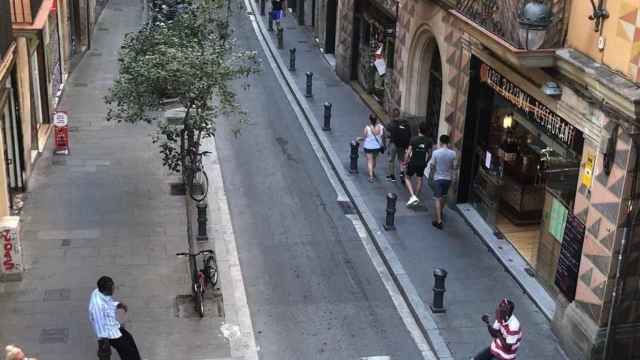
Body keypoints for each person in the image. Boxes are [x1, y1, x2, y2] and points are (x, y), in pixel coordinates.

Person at [89, 276, 142, 360]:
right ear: (104, 290)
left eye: (113, 287)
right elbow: (99, 324)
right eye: (111, 289)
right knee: (127, 351)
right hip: (109, 334)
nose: (114, 289)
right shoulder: (97, 306)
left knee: (129, 338)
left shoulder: (99, 292)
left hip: (113, 326)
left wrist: (117, 304)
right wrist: (104, 342)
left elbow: (107, 304)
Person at [426, 134, 456, 229]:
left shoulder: (436, 153)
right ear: (448, 142)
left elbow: (432, 165)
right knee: (443, 196)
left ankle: (439, 221)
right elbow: (454, 166)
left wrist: (433, 170)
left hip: (438, 178)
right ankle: (440, 212)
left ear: (440, 142)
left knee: (437, 198)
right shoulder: (453, 153)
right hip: (448, 179)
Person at [403, 122, 432, 206]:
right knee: (419, 179)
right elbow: (430, 154)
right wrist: (426, 162)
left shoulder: (413, 139)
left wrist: (405, 162)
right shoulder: (429, 141)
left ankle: (412, 196)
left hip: (413, 162)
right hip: (422, 163)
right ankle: (416, 196)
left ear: (419, 129)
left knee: (407, 178)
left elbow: (408, 153)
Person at [386, 108, 412, 182]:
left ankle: (392, 176)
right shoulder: (405, 123)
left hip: (393, 144)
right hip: (402, 145)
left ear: (393, 114)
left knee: (391, 160)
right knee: (401, 160)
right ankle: (402, 173)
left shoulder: (391, 123)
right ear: (399, 114)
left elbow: (388, 134)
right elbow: (409, 135)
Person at [359, 114, 385, 183]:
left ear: (370, 120)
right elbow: (382, 137)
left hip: (368, 147)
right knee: (374, 159)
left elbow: (364, 137)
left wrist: (359, 138)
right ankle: (372, 170)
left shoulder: (367, 128)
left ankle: (371, 177)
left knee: (369, 161)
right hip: (377, 147)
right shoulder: (381, 127)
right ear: (376, 120)